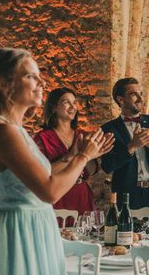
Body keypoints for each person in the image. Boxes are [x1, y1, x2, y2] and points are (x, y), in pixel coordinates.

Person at [0, 48, 112, 275]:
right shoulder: (1, 132)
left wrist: (74, 155)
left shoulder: (17, 129)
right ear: (3, 84)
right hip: (16, 239)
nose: (41, 81)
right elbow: (49, 190)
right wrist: (84, 156)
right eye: (30, 75)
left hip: (35, 235)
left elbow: (46, 173)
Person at [101, 77, 149, 211]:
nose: (140, 99)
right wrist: (131, 147)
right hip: (127, 197)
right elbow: (107, 166)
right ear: (120, 99)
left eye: (140, 94)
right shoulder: (108, 129)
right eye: (134, 94)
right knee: (128, 233)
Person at [34, 87, 103, 218]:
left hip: (81, 195)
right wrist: (72, 155)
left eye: (74, 102)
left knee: (84, 235)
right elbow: (42, 173)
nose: (73, 107)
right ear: (53, 108)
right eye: (66, 102)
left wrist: (92, 155)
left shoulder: (82, 135)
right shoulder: (41, 138)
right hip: (58, 195)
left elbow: (90, 172)